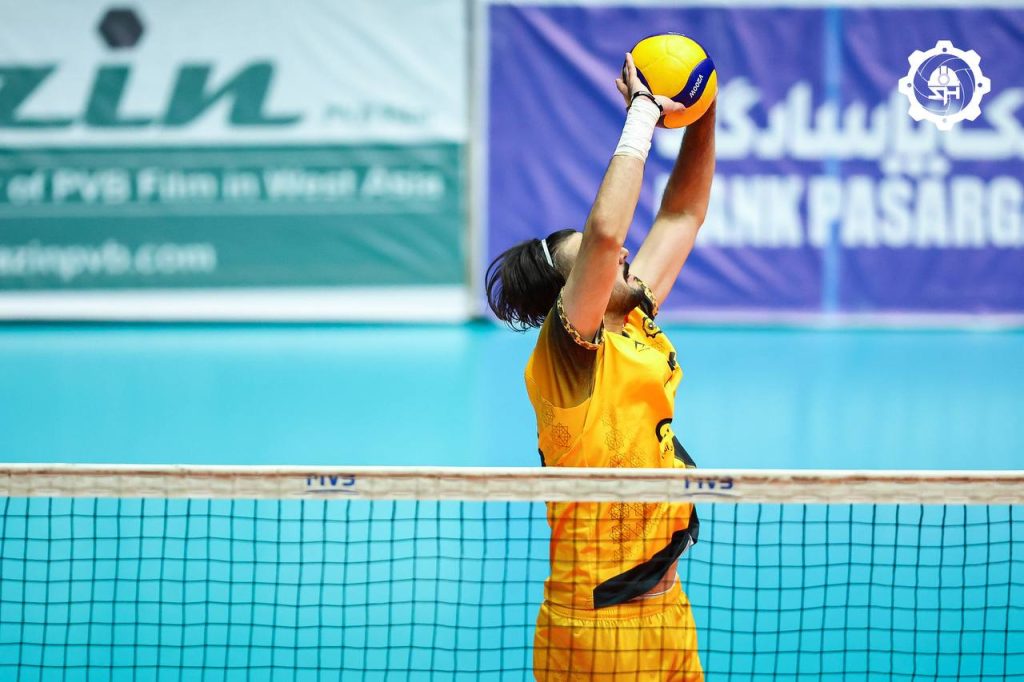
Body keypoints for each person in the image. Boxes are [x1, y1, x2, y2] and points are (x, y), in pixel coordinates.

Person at [485, 53, 716, 681]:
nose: (619, 257)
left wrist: (701, 110)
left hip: (668, 613)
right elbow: (608, 233)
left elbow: (683, 214)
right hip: (597, 633)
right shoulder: (563, 357)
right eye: (596, 261)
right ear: (574, 293)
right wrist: (642, 114)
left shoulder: (632, 318)